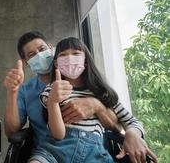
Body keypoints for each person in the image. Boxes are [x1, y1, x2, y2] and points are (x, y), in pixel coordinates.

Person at [29, 37, 158, 163]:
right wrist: (53, 101)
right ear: (56, 62)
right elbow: (57, 134)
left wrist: (132, 134)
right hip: (55, 150)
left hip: (95, 153)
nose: (69, 58)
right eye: (63, 55)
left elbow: (130, 121)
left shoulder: (102, 92)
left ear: (85, 60)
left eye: (75, 53)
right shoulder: (53, 89)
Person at [3, 31, 120, 154]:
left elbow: (118, 124)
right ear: (26, 62)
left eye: (42, 49)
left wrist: (97, 105)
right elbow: (11, 132)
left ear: (51, 48)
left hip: (93, 152)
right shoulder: (25, 90)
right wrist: (12, 92)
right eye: (32, 55)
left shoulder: (87, 81)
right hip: (48, 154)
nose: (39, 55)